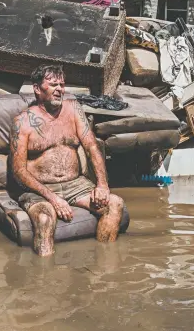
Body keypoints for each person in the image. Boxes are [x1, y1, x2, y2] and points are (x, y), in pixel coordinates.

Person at [8, 64, 124, 256]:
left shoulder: (73, 110)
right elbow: (18, 171)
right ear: (37, 88)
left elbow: (92, 146)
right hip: (40, 189)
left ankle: (103, 271)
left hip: (76, 185)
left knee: (115, 203)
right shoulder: (22, 122)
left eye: (62, 84)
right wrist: (54, 199)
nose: (60, 89)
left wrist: (102, 184)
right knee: (45, 219)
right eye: (53, 84)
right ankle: (46, 278)